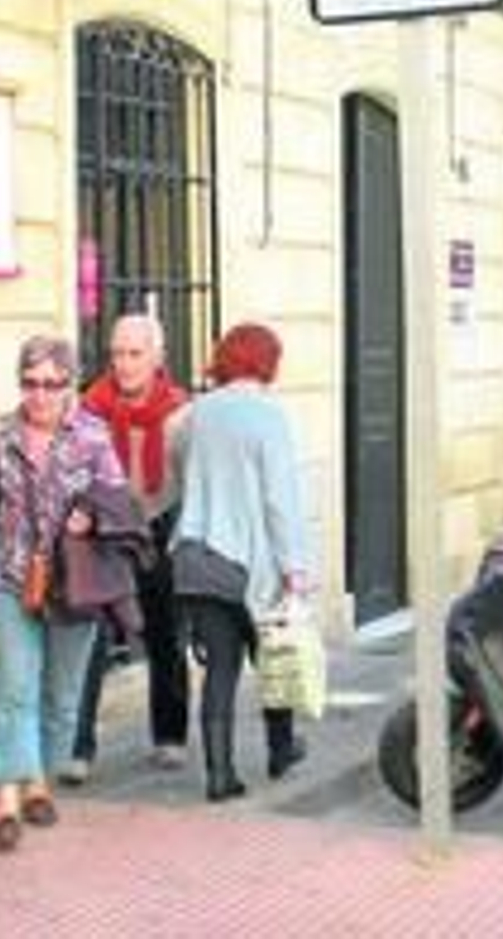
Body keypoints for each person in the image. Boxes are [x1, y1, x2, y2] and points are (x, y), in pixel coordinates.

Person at [0, 335, 129, 854]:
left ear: (70, 385)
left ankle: (39, 780)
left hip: (74, 585)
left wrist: (92, 515)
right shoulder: (1, 436)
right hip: (9, 578)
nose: (39, 395)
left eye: (51, 384)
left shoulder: (92, 436)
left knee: (63, 697)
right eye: (29, 383)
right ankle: (6, 796)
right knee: (15, 687)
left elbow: (120, 503)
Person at [170, 322, 310, 802]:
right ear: (268, 362)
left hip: (195, 555)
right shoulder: (268, 416)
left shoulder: (194, 413)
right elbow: (280, 499)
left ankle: (220, 774)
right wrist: (295, 568)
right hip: (250, 562)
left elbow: (177, 463)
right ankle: (281, 749)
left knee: (221, 669)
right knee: (274, 656)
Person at [65, 313, 192, 784]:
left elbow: (192, 479)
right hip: (103, 533)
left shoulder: (181, 412)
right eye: (117, 353)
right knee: (91, 640)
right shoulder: (88, 411)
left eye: (134, 353)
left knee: (164, 635)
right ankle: (77, 748)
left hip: (159, 528)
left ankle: (170, 736)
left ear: (157, 357)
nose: (123, 363)